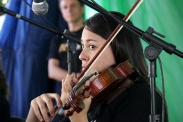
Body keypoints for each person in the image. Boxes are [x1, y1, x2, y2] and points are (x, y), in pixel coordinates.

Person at [26, 12, 167, 122]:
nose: (82, 55)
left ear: (119, 48)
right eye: (83, 46)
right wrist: (34, 116)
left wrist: (79, 120)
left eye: (92, 46)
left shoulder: (141, 99)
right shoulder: (92, 97)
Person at [47, 0, 85, 92]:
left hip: (85, 89)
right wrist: (77, 78)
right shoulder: (57, 38)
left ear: (82, 8)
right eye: (65, 7)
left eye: (73, 6)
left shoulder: (89, 35)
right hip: (63, 93)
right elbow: (52, 70)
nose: (69, 10)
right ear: (61, 11)